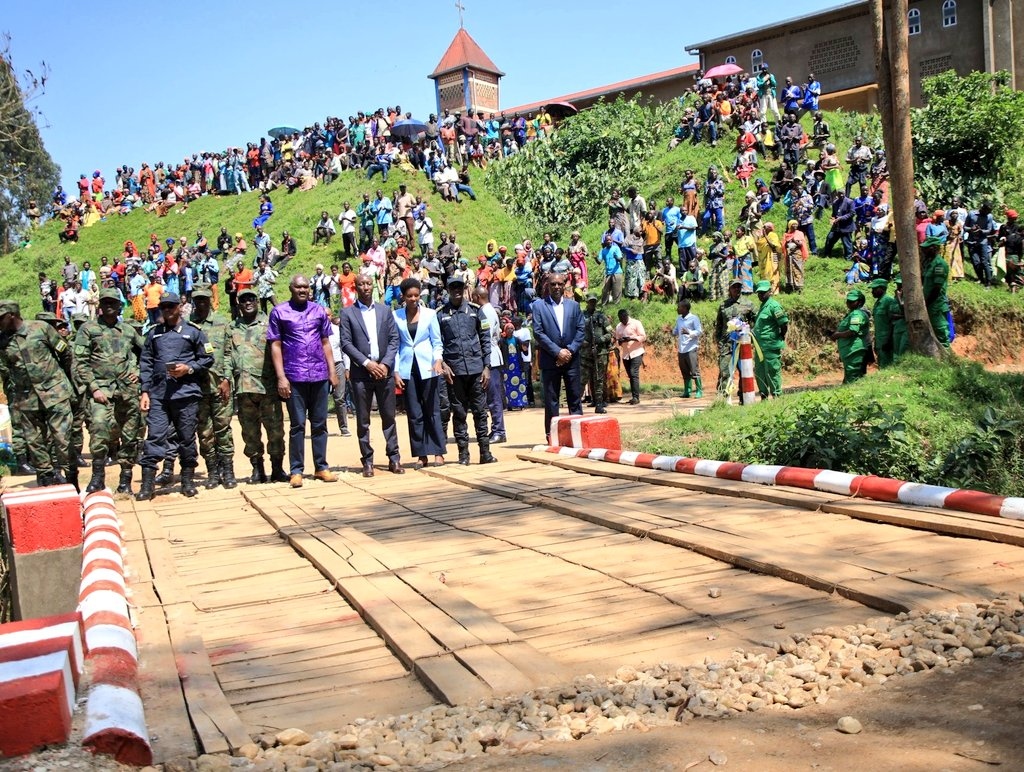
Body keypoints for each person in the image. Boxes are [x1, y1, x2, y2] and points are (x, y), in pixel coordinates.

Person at [137, 293, 214, 500]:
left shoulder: (194, 332)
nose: (167, 310)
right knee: (154, 437)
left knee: (187, 438)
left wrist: (189, 368)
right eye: (164, 307)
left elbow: (208, 358)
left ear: (179, 307)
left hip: (186, 394)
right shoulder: (154, 334)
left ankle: (187, 481)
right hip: (159, 396)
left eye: (171, 306)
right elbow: (146, 363)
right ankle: (147, 485)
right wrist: (145, 391)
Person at [268, 275, 339, 487]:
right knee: (297, 425)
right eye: (298, 286)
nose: (302, 290)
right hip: (294, 375)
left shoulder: (318, 311)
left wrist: (332, 371)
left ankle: (321, 467)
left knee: (320, 424)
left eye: (305, 287)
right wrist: (281, 377)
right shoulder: (279, 312)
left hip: (319, 374)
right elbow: (275, 345)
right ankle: (296, 470)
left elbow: (325, 342)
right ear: (291, 288)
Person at [74, 288, 144, 494]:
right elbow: (80, 361)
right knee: (98, 430)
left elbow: (148, 353)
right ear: (100, 306)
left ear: (120, 306)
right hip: (101, 390)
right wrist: (94, 388)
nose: (109, 306)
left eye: (113, 302)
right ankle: (98, 478)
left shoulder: (128, 330)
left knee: (130, 435)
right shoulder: (88, 329)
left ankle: (125, 481)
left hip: (127, 391)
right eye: (105, 303)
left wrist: (139, 372)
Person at [0, 300, 76, 488]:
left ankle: (71, 479)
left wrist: (65, 381)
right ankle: (46, 479)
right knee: (35, 443)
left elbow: (65, 353)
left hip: (55, 394)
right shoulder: (2, 341)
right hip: (27, 399)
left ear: (12, 315)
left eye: (1, 318)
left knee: (63, 440)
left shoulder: (41, 328)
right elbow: (6, 370)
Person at [340, 272, 402, 477]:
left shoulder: (385, 310)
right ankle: (367, 461)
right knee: (363, 419)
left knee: (389, 417)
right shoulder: (348, 313)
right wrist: (367, 364)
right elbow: (346, 343)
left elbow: (394, 339)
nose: (366, 287)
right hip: (361, 373)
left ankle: (394, 458)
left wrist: (385, 364)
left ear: (373, 286)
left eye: (368, 284)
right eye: (361, 284)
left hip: (384, 372)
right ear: (355, 287)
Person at [227, 288, 288, 484]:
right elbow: (227, 356)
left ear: (257, 301)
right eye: (243, 300)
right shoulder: (232, 327)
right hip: (244, 389)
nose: (248, 303)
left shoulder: (270, 324)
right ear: (239, 304)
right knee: (250, 432)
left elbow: (281, 351)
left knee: (275, 430)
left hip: (267, 387)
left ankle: (277, 469)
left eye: (251, 299)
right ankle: (257, 469)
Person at [437, 275, 497, 465]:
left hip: (476, 369)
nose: (456, 290)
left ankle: (485, 453)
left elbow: (486, 339)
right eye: (452, 287)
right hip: (454, 373)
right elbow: (437, 343)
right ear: (448, 290)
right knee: (459, 413)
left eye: (459, 287)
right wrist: (443, 364)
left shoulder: (475, 311)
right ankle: (463, 454)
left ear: (464, 289)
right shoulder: (440, 314)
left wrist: (487, 366)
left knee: (480, 412)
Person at [394, 278, 446, 468]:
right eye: (410, 296)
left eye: (416, 295)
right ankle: (421, 454)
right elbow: (395, 345)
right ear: (403, 297)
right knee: (414, 413)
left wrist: (438, 359)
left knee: (432, 410)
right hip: (407, 368)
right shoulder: (396, 316)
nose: (414, 299)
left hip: (428, 367)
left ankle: (438, 452)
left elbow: (437, 341)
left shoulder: (430, 314)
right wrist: (396, 371)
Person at [190, 286, 236, 489]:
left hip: (220, 387)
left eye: (204, 299)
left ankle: (228, 470)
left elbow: (229, 353)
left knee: (223, 429)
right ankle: (212, 472)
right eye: (197, 300)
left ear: (210, 300)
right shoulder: (188, 325)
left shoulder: (222, 322)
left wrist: (226, 378)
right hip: (197, 389)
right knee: (205, 432)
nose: (201, 303)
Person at [531, 273, 585, 437]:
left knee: (574, 398)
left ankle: (578, 436)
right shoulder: (539, 306)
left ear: (564, 285)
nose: (556, 287)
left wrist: (569, 351)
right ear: (547, 285)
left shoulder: (574, 306)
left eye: (559, 284)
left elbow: (581, 330)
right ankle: (552, 436)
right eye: (553, 284)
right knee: (551, 400)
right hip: (550, 360)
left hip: (571, 360)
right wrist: (557, 352)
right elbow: (538, 332)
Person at [473, 285, 506, 444]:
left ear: (478, 297)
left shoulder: (485, 312)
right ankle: (495, 429)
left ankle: (499, 431)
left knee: (494, 397)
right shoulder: (489, 310)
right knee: (489, 397)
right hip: (489, 356)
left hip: (490, 358)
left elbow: (485, 336)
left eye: (473, 296)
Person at [714, 279, 756, 397]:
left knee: (744, 370)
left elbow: (756, 320)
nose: (737, 289)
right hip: (726, 345)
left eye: (739, 287)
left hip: (742, 344)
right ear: (729, 289)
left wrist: (750, 333)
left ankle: (744, 395)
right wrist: (719, 341)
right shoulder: (723, 305)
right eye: (734, 287)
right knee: (724, 370)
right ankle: (723, 396)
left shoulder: (748, 304)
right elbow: (719, 325)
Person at [752, 280, 789, 399]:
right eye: (759, 293)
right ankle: (763, 395)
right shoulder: (763, 306)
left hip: (770, 345)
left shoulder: (774, 306)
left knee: (772, 370)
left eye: (763, 292)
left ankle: (776, 395)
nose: (761, 295)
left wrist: (780, 336)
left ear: (769, 292)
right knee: (760, 371)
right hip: (760, 346)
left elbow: (783, 324)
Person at [830, 289, 871, 383]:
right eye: (848, 300)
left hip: (854, 350)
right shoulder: (851, 313)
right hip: (849, 350)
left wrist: (837, 335)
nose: (849, 303)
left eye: (852, 301)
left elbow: (853, 331)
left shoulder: (857, 314)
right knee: (850, 376)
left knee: (853, 378)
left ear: (859, 302)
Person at [580, 294, 613, 413]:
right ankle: (576, 406)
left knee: (599, 380)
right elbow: (575, 332)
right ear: (587, 302)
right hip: (585, 353)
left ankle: (599, 404)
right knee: (582, 380)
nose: (592, 304)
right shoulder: (581, 316)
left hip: (600, 353)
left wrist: (601, 339)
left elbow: (610, 333)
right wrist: (582, 341)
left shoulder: (601, 316)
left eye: (594, 302)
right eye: (590, 302)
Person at [921, 236, 951, 346]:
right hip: (928, 303)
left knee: (940, 330)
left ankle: (946, 352)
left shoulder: (939, 264)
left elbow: (937, 288)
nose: (923, 250)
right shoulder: (929, 263)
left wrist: (926, 303)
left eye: (926, 248)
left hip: (936, 304)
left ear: (934, 248)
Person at [614, 308, 647, 405]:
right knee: (630, 375)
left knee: (633, 373)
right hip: (625, 355)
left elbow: (643, 337)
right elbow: (616, 341)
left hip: (636, 352)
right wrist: (620, 341)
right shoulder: (618, 326)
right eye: (620, 319)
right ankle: (634, 396)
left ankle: (636, 397)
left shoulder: (636, 323)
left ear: (627, 316)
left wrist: (631, 338)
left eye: (624, 318)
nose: (622, 321)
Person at [673, 298, 703, 398]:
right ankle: (687, 391)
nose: (677, 309)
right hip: (681, 348)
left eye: (679, 307)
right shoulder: (679, 319)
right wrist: (671, 331)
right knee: (684, 371)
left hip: (691, 348)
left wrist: (689, 332)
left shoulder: (694, 318)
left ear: (685, 308)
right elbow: (676, 330)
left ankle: (699, 391)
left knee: (694, 370)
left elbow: (699, 331)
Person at [870, 278, 899, 368]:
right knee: (881, 365)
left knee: (888, 366)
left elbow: (893, 322)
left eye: (874, 289)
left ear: (882, 288)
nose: (872, 291)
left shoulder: (888, 301)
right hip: (880, 340)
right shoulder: (877, 303)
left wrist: (889, 340)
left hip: (887, 340)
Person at [821, 190, 856, 259]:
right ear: (837, 194)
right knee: (829, 238)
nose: (841, 195)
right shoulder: (835, 202)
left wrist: (841, 218)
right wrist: (832, 219)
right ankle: (827, 254)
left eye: (842, 194)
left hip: (846, 226)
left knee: (847, 243)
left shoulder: (850, 202)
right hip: (836, 226)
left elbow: (852, 213)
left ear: (845, 193)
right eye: (840, 194)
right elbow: (834, 214)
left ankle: (848, 258)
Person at [599, 235, 623, 305]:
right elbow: (599, 262)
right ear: (605, 241)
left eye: (610, 240)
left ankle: (616, 304)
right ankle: (604, 304)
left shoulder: (616, 248)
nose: (609, 241)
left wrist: (616, 257)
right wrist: (595, 258)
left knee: (617, 290)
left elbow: (620, 259)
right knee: (605, 290)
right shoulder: (603, 251)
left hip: (617, 272)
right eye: (607, 240)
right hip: (608, 273)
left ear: (612, 241)